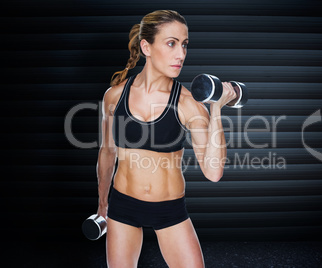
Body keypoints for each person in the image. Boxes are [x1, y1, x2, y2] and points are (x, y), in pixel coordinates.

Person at [96, 10, 236, 267]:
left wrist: (216, 109)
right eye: (171, 43)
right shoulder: (113, 96)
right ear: (146, 47)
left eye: (184, 45)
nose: (181, 54)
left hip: (168, 209)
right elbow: (107, 153)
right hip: (122, 206)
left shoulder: (188, 103)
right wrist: (103, 202)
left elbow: (213, 172)